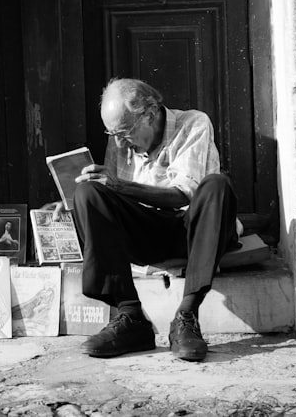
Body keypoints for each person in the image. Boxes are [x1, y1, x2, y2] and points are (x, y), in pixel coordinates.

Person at [68, 78, 240, 361]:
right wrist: (75, 202)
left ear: (149, 113)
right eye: (112, 133)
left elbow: (184, 194)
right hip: (147, 234)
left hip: (193, 233)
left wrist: (120, 186)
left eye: (124, 131)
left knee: (217, 185)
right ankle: (130, 315)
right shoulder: (120, 141)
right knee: (88, 192)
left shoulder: (193, 123)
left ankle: (187, 315)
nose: (119, 140)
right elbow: (115, 199)